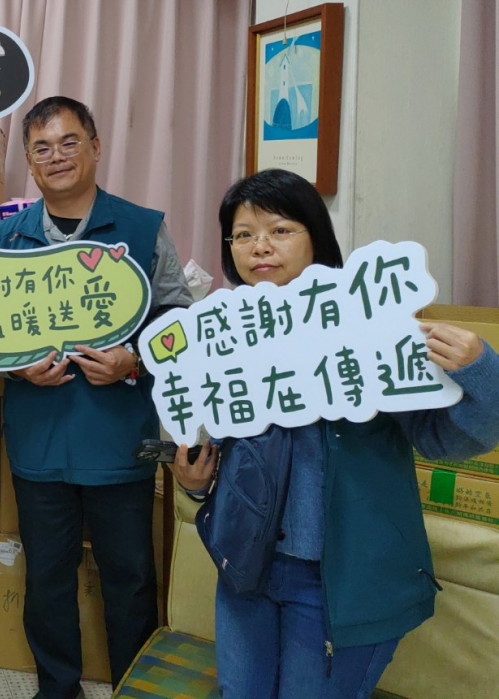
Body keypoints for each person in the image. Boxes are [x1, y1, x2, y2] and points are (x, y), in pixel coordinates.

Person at [170, 167, 499, 699]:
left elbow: (449, 440)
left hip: (339, 580)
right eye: (243, 234)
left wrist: (481, 368)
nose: (260, 247)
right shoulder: (223, 339)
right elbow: (220, 449)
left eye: (280, 230)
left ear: (316, 237)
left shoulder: (370, 325)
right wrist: (194, 481)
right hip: (248, 570)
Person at [0, 95, 192, 696]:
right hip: (39, 441)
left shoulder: (142, 228)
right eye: (42, 148)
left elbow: (181, 322)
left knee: (129, 577)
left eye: (69, 142)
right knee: (47, 577)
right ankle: (57, 688)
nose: (56, 157)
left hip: (120, 439)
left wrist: (136, 361)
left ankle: (132, 687)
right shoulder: (6, 237)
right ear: (29, 162)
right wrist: (17, 368)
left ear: (96, 148)